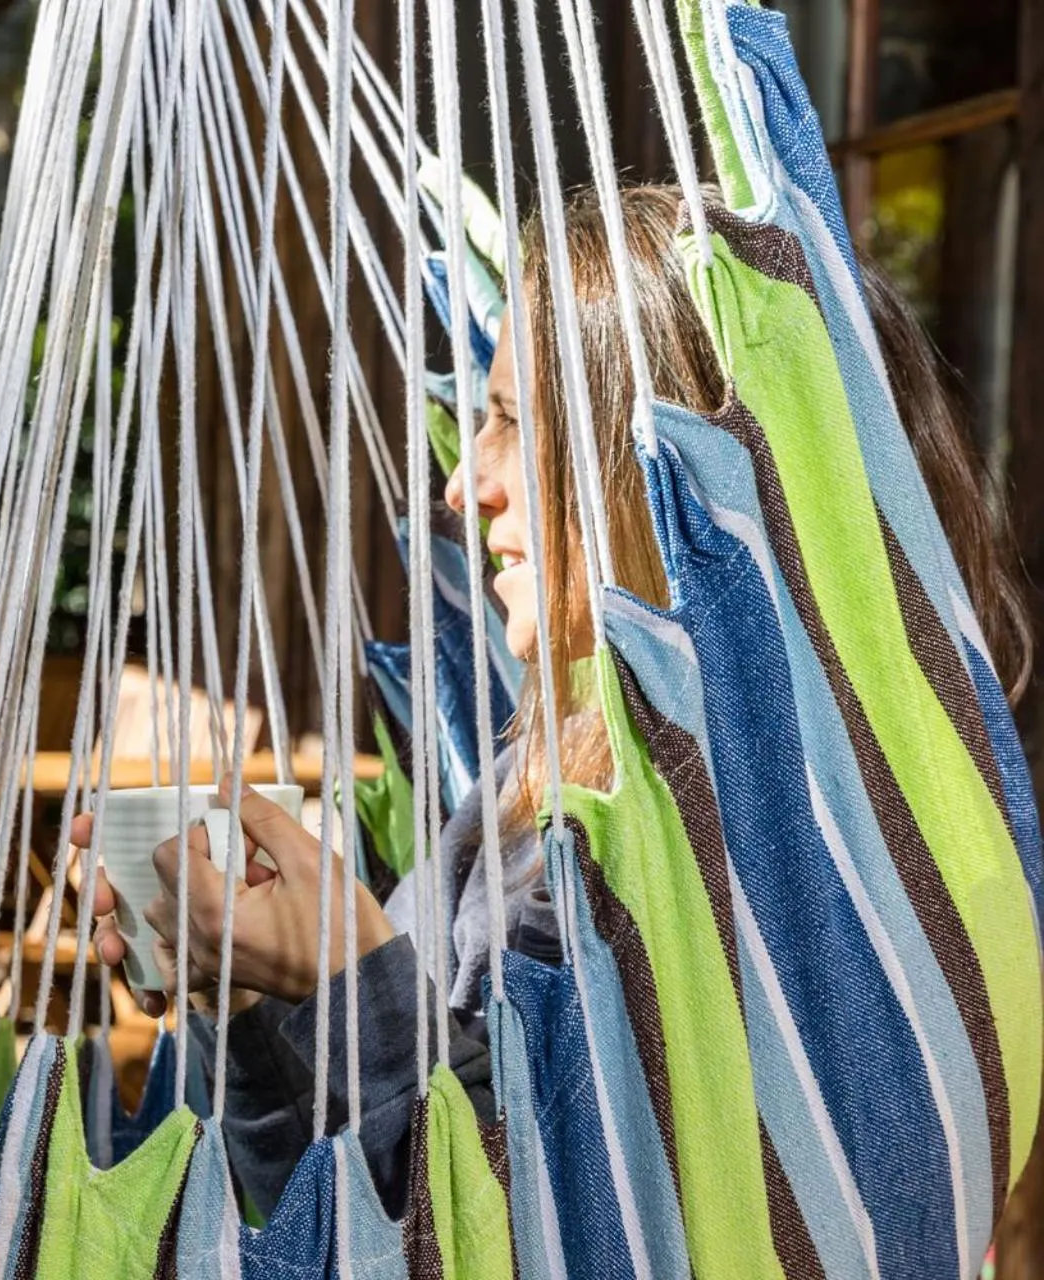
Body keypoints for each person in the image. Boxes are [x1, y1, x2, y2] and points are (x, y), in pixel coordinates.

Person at [76, 183, 1034, 1219]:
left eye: (504, 424)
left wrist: (354, 969)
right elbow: (333, 1210)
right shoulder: (531, 795)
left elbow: (544, 1227)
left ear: (660, 467)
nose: (461, 484)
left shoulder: (748, 882)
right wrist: (261, 990)